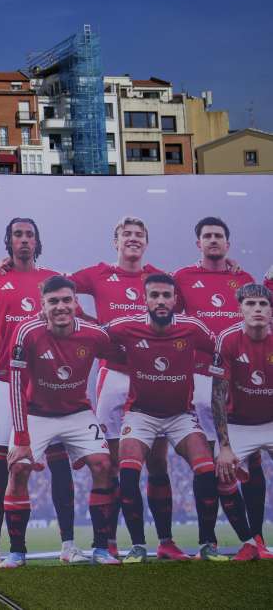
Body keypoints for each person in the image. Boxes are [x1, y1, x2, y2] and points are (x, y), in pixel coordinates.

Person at [0, 218, 84, 566]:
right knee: (0, 467)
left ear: (37, 241)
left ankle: (69, 546)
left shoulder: (52, 281)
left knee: (60, 467)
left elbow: (73, 325)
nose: (24, 240)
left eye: (30, 235)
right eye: (17, 234)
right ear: (8, 241)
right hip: (4, 384)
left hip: (46, 385)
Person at [70, 216, 177, 559]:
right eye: (126, 234)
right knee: (112, 464)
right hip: (112, 377)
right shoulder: (99, 274)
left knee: (158, 462)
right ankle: (110, 542)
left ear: (146, 242)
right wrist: (86, 321)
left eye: (139, 235)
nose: (132, 239)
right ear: (115, 242)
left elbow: (185, 308)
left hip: (152, 377)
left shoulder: (159, 279)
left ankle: (165, 542)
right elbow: (55, 286)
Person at [0, 276, 119, 568]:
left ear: (76, 303)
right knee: (18, 468)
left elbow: (123, 359)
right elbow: (15, 388)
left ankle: (101, 549)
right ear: (43, 306)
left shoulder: (94, 335)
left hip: (77, 412)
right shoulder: (26, 332)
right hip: (37, 413)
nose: (61, 307)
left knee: (103, 464)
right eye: (53, 301)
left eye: (67, 300)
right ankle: (17, 552)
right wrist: (23, 439)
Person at [105, 274, 223, 563]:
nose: (160, 301)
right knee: (129, 474)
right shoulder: (126, 326)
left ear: (175, 299)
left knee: (207, 471)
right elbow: (91, 336)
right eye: (154, 295)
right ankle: (138, 546)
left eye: (166, 295)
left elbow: (223, 347)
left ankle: (208, 545)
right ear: (144, 299)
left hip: (180, 416)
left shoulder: (191, 328)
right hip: (141, 415)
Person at [172, 216, 262, 559]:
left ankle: (255, 539)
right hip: (199, 379)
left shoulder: (244, 279)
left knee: (249, 461)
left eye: (218, 236)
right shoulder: (182, 278)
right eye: (207, 236)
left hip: (239, 380)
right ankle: (207, 540)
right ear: (198, 243)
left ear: (228, 243)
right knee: (207, 461)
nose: (213, 240)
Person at [209, 283, 273, 560]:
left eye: (263, 304)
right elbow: (218, 396)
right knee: (221, 471)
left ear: (271, 311)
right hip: (238, 425)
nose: (257, 309)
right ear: (240, 309)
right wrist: (224, 446)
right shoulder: (227, 339)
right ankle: (249, 542)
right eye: (250, 304)